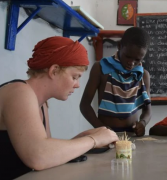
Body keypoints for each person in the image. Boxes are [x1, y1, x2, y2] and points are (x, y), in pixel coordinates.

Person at [0, 36, 118, 180]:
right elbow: (38, 156)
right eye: (75, 77)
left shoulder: (41, 103)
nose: (77, 84)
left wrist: (84, 139)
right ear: (54, 70)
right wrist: (93, 140)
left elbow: (47, 153)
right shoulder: (19, 93)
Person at [80, 27, 151, 136]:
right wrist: (100, 128)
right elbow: (84, 105)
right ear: (119, 46)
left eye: (137, 60)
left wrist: (143, 123)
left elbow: (147, 111)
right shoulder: (101, 68)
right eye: (128, 56)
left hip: (132, 134)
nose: (131, 63)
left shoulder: (143, 75)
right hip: (105, 133)